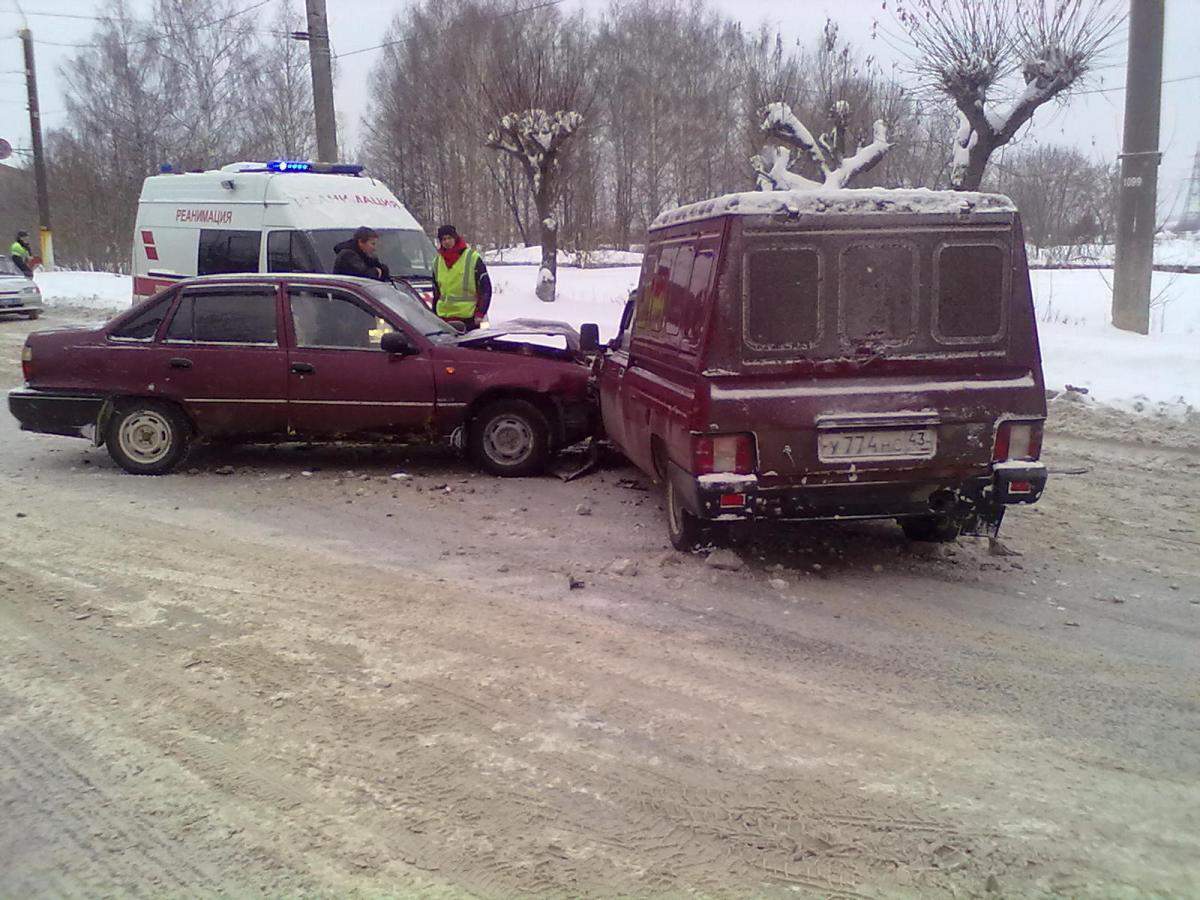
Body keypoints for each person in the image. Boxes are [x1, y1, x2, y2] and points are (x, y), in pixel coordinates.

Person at [431, 225, 491, 332]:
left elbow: (486, 289)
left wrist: (480, 313)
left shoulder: (472, 258)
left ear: (455, 238)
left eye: (449, 238)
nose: (447, 242)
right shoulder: (436, 261)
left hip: (468, 319)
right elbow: (436, 293)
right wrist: (433, 315)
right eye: (443, 239)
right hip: (444, 319)